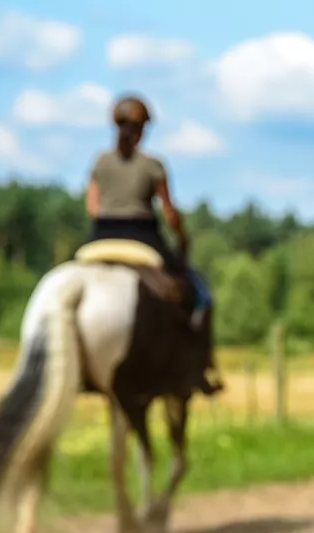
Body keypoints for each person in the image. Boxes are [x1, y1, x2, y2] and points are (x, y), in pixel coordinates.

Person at [84, 94, 224, 395]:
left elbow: (92, 207)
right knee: (200, 294)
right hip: (141, 237)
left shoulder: (100, 162)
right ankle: (202, 366)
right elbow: (169, 213)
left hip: (99, 237)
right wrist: (181, 234)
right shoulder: (153, 165)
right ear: (143, 129)